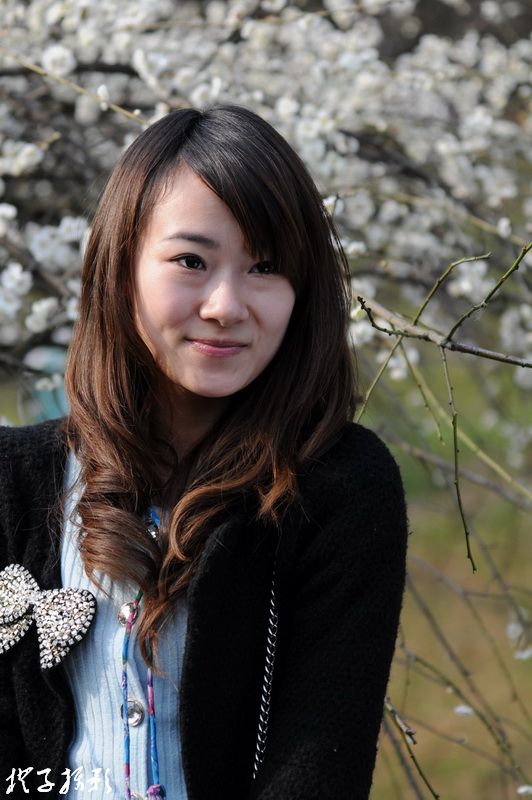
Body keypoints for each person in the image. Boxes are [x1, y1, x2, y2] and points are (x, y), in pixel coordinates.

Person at [0, 104, 409, 800]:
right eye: (191, 261)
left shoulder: (340, 488)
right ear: (121, 266)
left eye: (265, 267)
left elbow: (318, 766)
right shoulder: (15, 481)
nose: (225, 305)